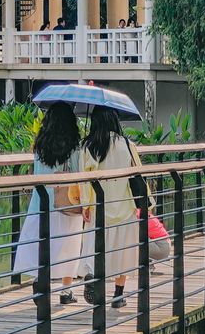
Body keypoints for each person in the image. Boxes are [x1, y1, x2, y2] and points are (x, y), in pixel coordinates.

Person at [13, 101, 83, 305]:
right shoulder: (74, 146)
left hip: (39, 202)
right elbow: (78, 171)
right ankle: (66, 291)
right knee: (69, 245)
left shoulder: (39, 145)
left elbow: (36, 172)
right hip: (65, 203)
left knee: (40, 243)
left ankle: (40, 281)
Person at [78, 105, 139, 308]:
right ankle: (118, 295)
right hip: (123, 205)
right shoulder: (127, 145)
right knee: (123, 251)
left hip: (98, 206)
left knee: (96, 247)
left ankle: (94, 276)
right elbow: (137, 174)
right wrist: (147, 202)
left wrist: (85, 205)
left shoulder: (88, 146)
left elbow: (84, 178)